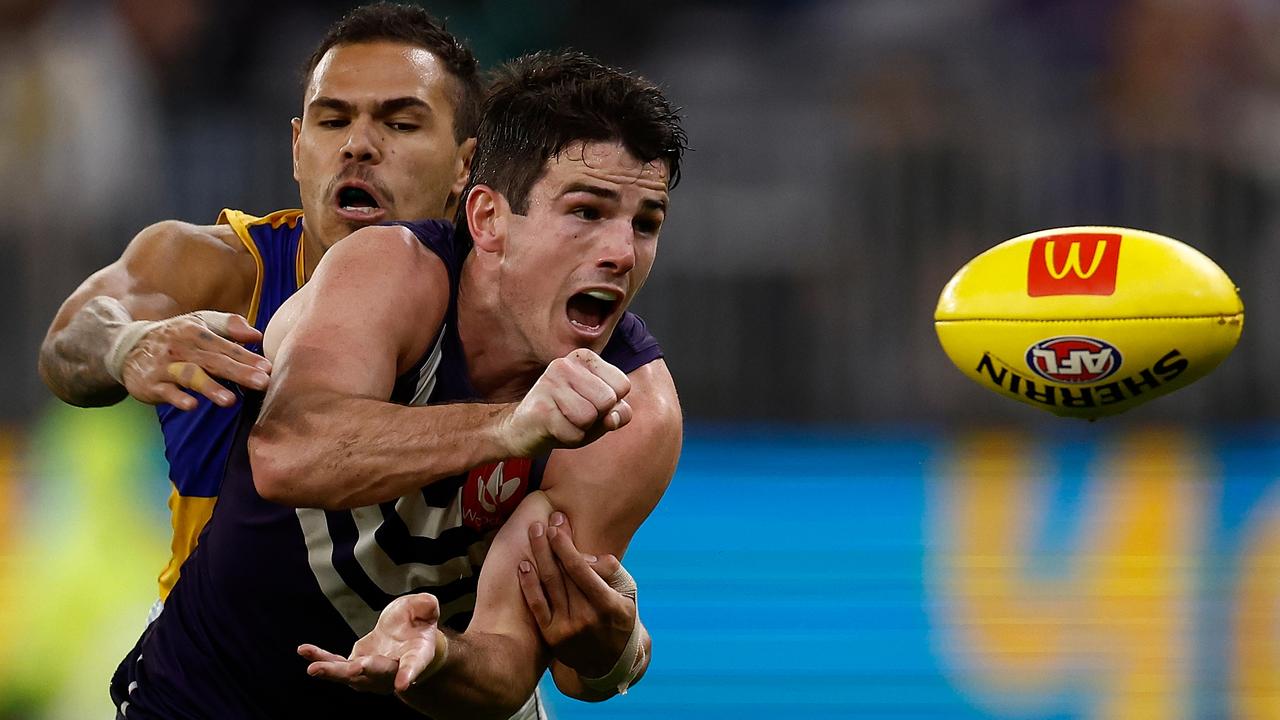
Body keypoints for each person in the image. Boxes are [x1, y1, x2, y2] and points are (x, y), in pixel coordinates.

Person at [110, 50, 687, 719]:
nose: (622, 252)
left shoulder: (636, 409)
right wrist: (506, 427)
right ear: (489, 220)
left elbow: (512, 662)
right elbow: (286, 454)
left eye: (646, 223)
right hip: (211, 694)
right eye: (587, 211)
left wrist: (435, 656)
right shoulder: (391, 271)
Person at [36, 2, 482, 608]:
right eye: (331, 122)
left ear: (464, 165)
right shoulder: (215, 268)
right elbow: (68, 340)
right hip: (213, 686)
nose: (358, 145)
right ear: (298, 149)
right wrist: (126, 345)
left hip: (429, 682)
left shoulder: (499, 310)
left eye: (400, 124)